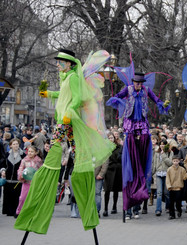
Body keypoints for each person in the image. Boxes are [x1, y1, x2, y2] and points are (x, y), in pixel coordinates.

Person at [15, 49, 115, 234]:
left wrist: (69, 113)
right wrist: (47, 93)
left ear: (69, 63)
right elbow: (62, 96)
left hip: (67, 121)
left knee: (54, 148)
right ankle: (77, 169)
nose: (58, 64)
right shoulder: (66, 78)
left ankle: (59, 173)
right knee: (75, 152)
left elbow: (77, 99)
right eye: (58, 61)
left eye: (61, 61)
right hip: (64, 121)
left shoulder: (74, 78)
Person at [107, 71, 169, 219]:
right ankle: (128, 209)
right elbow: (118, 97)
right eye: (137, 83)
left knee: (142, 151)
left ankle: (136, 208)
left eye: (141, 83)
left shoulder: (146, 91)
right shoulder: (127, 89)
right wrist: (116, 100)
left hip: (142, 124)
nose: (138, 85)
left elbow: (156, 100)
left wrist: (163, 103)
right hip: (130, 125)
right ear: (133, 82)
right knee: (130, 170)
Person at [0, 138, 25, 217]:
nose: (16, 145)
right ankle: (8, 210)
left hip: (18, 180)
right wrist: (3, 171)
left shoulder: (23, 155)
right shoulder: (7, 154)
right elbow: (3, 164)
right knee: (8, 195)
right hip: (8, 179)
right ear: (10, 146)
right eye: (14, 144)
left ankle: (17, 211)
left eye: (17, 144)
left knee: (17, 196)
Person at [16, 145, 43, 216]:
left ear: (35, 153)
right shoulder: (24, 160)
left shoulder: (39, 161)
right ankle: (19, 212)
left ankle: (33, 213)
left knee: (34, 198)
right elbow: (20, 169)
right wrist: (21, 175)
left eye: (32, 151)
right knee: (22, 198)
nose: (30, 153)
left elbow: (41, 171)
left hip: (35, 183)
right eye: (29, 151)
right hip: (26, 182)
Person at [103, 133, 122, 216]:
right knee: (107, 190)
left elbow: (121, 157)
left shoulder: (119, 147)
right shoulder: (105, 148)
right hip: (109, 170)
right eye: (109, 138)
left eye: (112, 138)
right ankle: (105, 208)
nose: (111, 139)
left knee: (116, 189)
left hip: (117, 169)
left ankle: (114, 206)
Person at [152, 139, 173, 216]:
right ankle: (158, 209)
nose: (162, 146)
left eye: (163, 144)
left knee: (166, 192)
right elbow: (154, 163)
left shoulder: (170, 152)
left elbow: (170, 163)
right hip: (158, 174)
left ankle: (168, 207)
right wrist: (152, 173)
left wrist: (164, 155)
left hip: (166, 173)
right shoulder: (157, 153)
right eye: (160, 144)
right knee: (159, 192)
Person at [166, 155, 187, 219]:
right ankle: (171, 214)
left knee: (178, 201)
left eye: (177, 161)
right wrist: (168, 186)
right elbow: (167, 179)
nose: (175, 162)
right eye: (174, 161)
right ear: (172, 161)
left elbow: (184, 177)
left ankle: (179, 210)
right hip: (171, 188)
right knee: (171, 202)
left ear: (179, 161)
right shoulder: (169, 169)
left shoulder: (182, 169)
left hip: (179, 188)